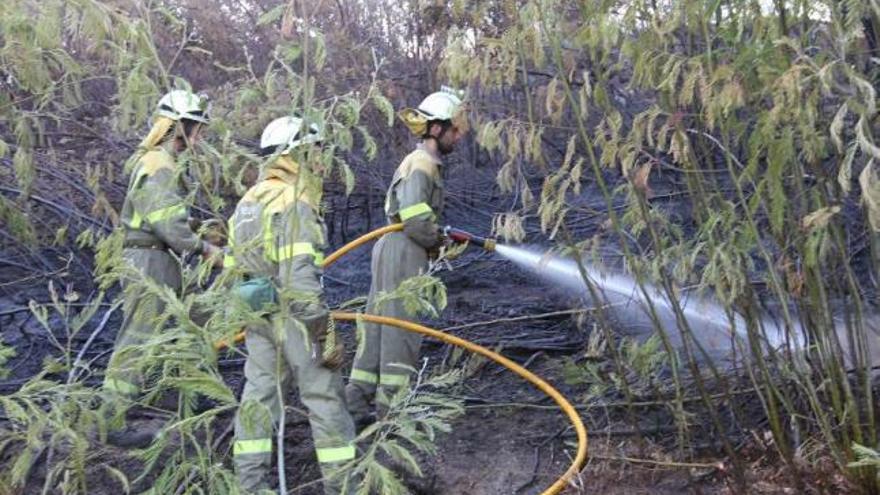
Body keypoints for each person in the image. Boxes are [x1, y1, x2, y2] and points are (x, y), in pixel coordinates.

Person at [226, 116, 355, 494]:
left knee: (258, 400)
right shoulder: (295, 201)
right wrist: (325, 334)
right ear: (294, 154)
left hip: (256, 313)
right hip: (296, 316)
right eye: (314, 150)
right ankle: (343, 486)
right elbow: (299, 282)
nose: (320, 160)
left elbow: (233, 267)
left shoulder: (248, 201)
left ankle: (250, 486)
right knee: (324, 397)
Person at [103, 89, 223, 447]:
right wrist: (204, 247)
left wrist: (200, 230)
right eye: (196, 128)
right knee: (139, 335)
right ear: (179, 127)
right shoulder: (158, 164)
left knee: (194, 320)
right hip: (149, 260)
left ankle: (190, 396)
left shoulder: (166, 163)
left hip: (164, 257)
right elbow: (167, 224)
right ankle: (112, 417)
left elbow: (169, 218)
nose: (199, 137)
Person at [345, 87, 468, 427]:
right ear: (437, 129)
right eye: (454, 130)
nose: (458, 137)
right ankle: (394, 415)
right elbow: (415, 218)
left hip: (392, 247)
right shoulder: (423, 164)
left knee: (378, 328)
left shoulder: (420, 162)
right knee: (400, 331)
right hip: (404, 250)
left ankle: (355, 405)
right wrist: (438, 240)